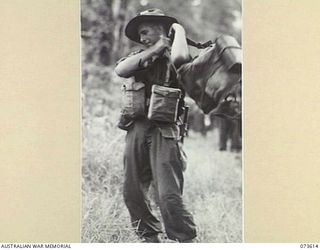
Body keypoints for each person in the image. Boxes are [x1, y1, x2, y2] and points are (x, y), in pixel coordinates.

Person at [114, 9, 197, 243]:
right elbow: (121, 70)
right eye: (140, 34)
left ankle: (185, 239)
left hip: (165, 130)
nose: (142, 38)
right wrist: (154, 48)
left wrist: (178, 30)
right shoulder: (140, 56)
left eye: (146, 32)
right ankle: (149, 238)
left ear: (162, 29)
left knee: (168, 194)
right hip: (137, 127)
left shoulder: (176, 56)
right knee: (132, 191)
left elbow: (181, 59)